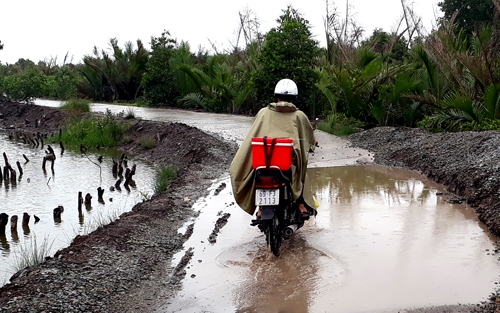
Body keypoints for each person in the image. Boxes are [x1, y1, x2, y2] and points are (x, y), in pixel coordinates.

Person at [230, 78, 317, 219]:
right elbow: (309, 137)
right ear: (294, 98)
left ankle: (260, 209)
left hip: (263, 161)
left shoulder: (263, 113)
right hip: (286, 164)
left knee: (256, 174)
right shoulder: (300, 116)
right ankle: (301, 205)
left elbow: (255, 132)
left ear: (276, 97)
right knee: (300, 173)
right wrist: (312, 142)